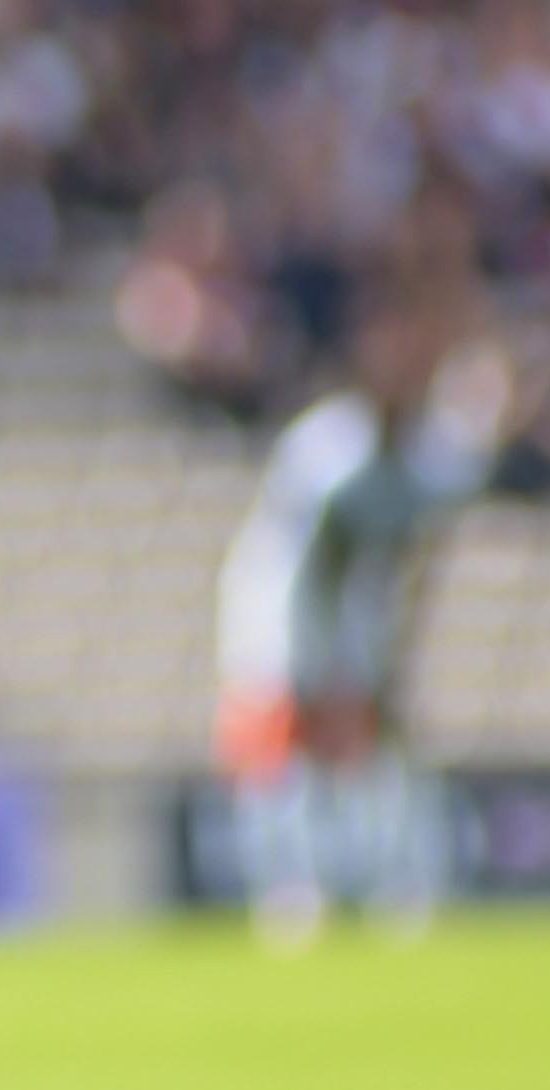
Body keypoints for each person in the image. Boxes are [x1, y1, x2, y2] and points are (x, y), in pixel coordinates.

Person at [215, 315, 513, 948]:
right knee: (283, 752)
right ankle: (292, 891)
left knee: (373, 753)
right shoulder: (328, 444)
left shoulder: (423, 444)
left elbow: (424, 529)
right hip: (284, 611)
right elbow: (318, 554)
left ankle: (396, 887)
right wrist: (313, 661)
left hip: (353, 608)